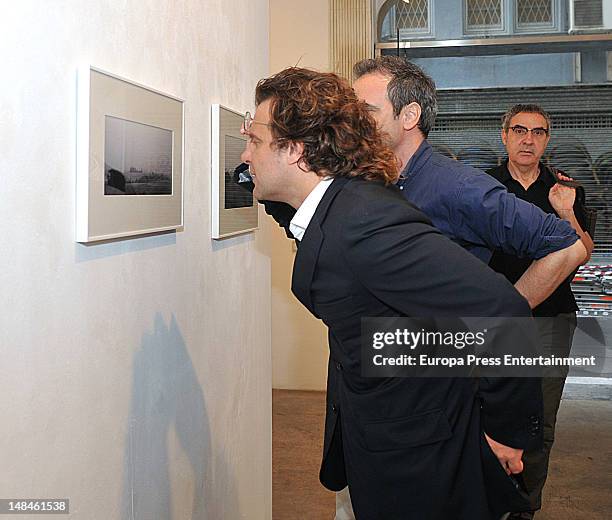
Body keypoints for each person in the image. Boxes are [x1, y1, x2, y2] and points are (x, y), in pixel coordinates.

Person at [241, 66, 543, 520]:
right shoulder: (333, 206)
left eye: (256, 142)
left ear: (296, 151)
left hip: (418, 461)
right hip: (382, 438)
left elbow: (504, 315)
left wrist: (506, 433)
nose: (246, 156)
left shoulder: (363, 220)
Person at [486, 104, 595, 520]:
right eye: (519, 130)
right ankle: (487, 497)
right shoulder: (483, 187)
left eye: (537, 132)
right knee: (487, 411)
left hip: (551, 319)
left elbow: (583, 253)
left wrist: (565, 210)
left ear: (547, 139)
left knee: (541, 421)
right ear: (504, 135)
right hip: (496, 319)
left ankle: (525, 506)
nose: (528, 139)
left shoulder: (566, 189)